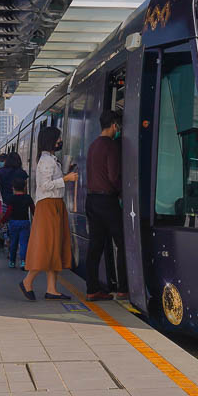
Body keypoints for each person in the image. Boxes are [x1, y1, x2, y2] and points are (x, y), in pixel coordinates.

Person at [19, 126, 77, 301]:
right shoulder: (46, 161)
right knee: (47, 246)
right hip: (48, 206)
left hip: (55, 205)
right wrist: (65, 179)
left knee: (55, 246)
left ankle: (52, 289)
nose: (60, 141)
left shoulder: (52, 159)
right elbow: (44, 186)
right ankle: (27, 281)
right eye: (58, 138)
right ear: (51, 140)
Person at [84, 111, 128, 301]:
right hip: (107, 202)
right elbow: (113, 176)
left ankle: (92, 289)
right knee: (123, 243)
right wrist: (123, 192)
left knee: (95, 246)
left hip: (92, 200)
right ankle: (123, 289)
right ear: (113, 125)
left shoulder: (93, 145)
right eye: (118, 125)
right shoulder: (110, 146)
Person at [3, 176, 34, 269]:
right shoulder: (28, 197)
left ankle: (12, 262)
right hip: (25, 222)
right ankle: (23, 262)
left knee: (13, 243)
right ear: (24, 187)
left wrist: (3, 220)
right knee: (24, 243)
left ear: (13, 188)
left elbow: (8, 211)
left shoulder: (11, 198)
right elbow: (33, 210)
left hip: (13, 223)